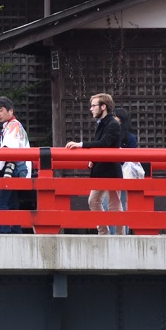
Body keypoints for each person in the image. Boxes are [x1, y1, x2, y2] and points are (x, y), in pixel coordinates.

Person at [65, 92, 126, 233]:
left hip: (111, 169)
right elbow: (102, 146)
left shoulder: (113, 124)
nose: (91, 109)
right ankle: (103, 232)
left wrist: (81, 145)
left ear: (103, 107)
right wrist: (93, 158)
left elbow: (104, 143)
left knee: (114, 204)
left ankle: (120, 236)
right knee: (94, 201)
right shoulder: (103, 123)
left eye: (93, 106)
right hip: (102, 168)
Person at [0, 97, 33, 233]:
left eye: (1, 110)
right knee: (12, 203)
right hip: (17, 168)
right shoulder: (12, 125)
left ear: (11, 111)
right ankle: (16, 232)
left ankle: (5, 234)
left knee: (0, 203)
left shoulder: (13, 126)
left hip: (13, 169)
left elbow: (8, 150)